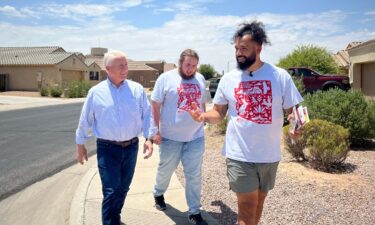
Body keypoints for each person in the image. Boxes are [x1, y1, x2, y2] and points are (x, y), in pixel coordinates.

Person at [188, 21, 303, 225]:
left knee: (258, 203)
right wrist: (203, 116)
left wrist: (296, 124)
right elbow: (218, 113)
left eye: (244, 48)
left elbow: (292, 111)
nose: (238, 53)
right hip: (239, 154)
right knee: (247, 207)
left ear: (258, 48)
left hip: (269, 155)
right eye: (236, 48)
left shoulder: (280, 76)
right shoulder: (229, 79)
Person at [75, 50, 153, 225]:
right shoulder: (96, 92)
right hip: (107, 149)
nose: (125, 69)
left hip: (131, 147)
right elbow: (85, 119)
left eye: (126, 65)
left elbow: (147, 115)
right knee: (111, 190)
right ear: (107, 68)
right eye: (120, 66)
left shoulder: (136, 90)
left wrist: (149, 138)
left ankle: (115, 218)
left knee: (123, 188)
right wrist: (80, 144)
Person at [150, 49, 208, 225]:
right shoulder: (166, 79)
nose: (191, 69)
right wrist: (156, 131)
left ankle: (194, 211)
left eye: (194, 65)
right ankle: (158, 192)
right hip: (170, 138)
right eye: (187, 65)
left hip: (195, 137)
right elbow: (155, 104)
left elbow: (202, 102)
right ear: (180, 63)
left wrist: (203, 118)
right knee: (165, 170)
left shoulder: (200, 79)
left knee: (194, 175)